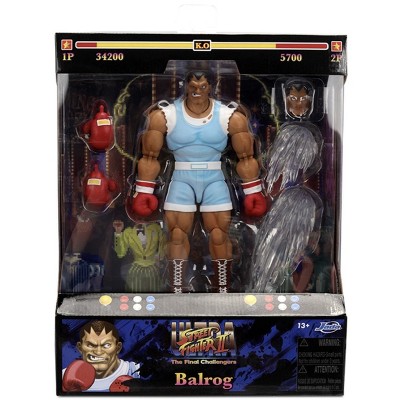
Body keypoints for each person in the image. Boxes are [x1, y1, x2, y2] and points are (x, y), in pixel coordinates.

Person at [129, 71, 267, 293]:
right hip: (181, 176)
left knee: (219, 235)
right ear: (185, 86)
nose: (197, 91)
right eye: (193, 86)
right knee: (176, 234)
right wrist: (143, 191)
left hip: (214, 177)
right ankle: (177, 288)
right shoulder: (165, 115)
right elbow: (149, 157)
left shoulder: (230, 116)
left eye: (202, 86)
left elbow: (247, 157)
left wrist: (253, 191)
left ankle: (222, 288)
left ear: (211, 87)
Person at [62, 320, 140, 392]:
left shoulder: (131, 370)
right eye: (91, 345)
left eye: (106, 345)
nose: (98, 351)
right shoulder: (68, 361)